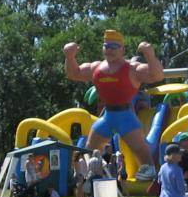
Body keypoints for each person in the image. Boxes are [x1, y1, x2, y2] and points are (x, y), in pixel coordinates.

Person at [63, 29, 164, 180]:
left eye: (114, 46)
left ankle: (150, 171)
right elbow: (74, 73)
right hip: (107, 116)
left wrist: (150, 55)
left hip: (126, 117)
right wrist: (69, 56)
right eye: (106, 45)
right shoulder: (96, 67)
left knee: (140, 148)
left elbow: (157, 75)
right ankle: (88, 174)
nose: (109, 49)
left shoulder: (131, 68)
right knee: (89, 149)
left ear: (122, 49)